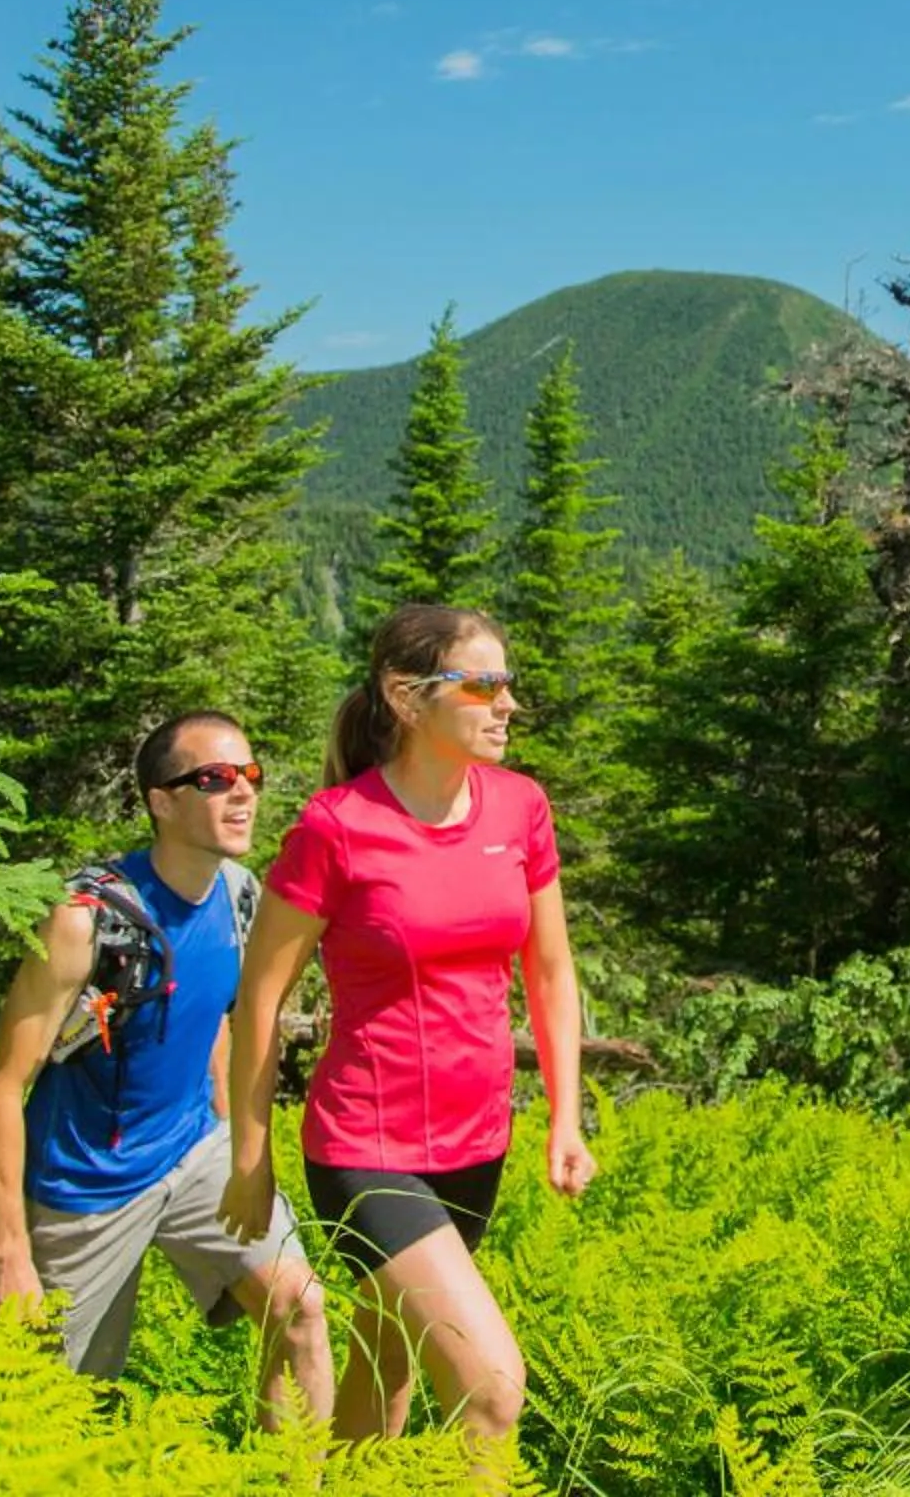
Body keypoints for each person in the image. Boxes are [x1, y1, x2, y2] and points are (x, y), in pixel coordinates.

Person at [219, 603, 596, 1457]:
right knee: (492, 1389)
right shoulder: (337, 828)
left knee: (386, 1354)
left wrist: (565, 1118)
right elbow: (260, 999)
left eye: (508, 683)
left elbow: (550, 970)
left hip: (476, 1142)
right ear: (405, 696)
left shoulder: (520, 808)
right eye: (483, 685)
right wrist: (251, 1159)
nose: (508, 704)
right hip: (367, 1146)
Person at [0, 709, 332, 1427]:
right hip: (85, 1187)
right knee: (63, 1410)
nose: (243, 792)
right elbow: (2, 1088)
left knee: (300, 1310)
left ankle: (299, 1477)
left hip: (193, 1152)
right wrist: (9, 1253)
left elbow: (215, 1023)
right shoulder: (86, 920)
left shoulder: (239, 894)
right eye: (216, 778)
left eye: (251, 774)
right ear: (162, 803)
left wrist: (238, 1151)